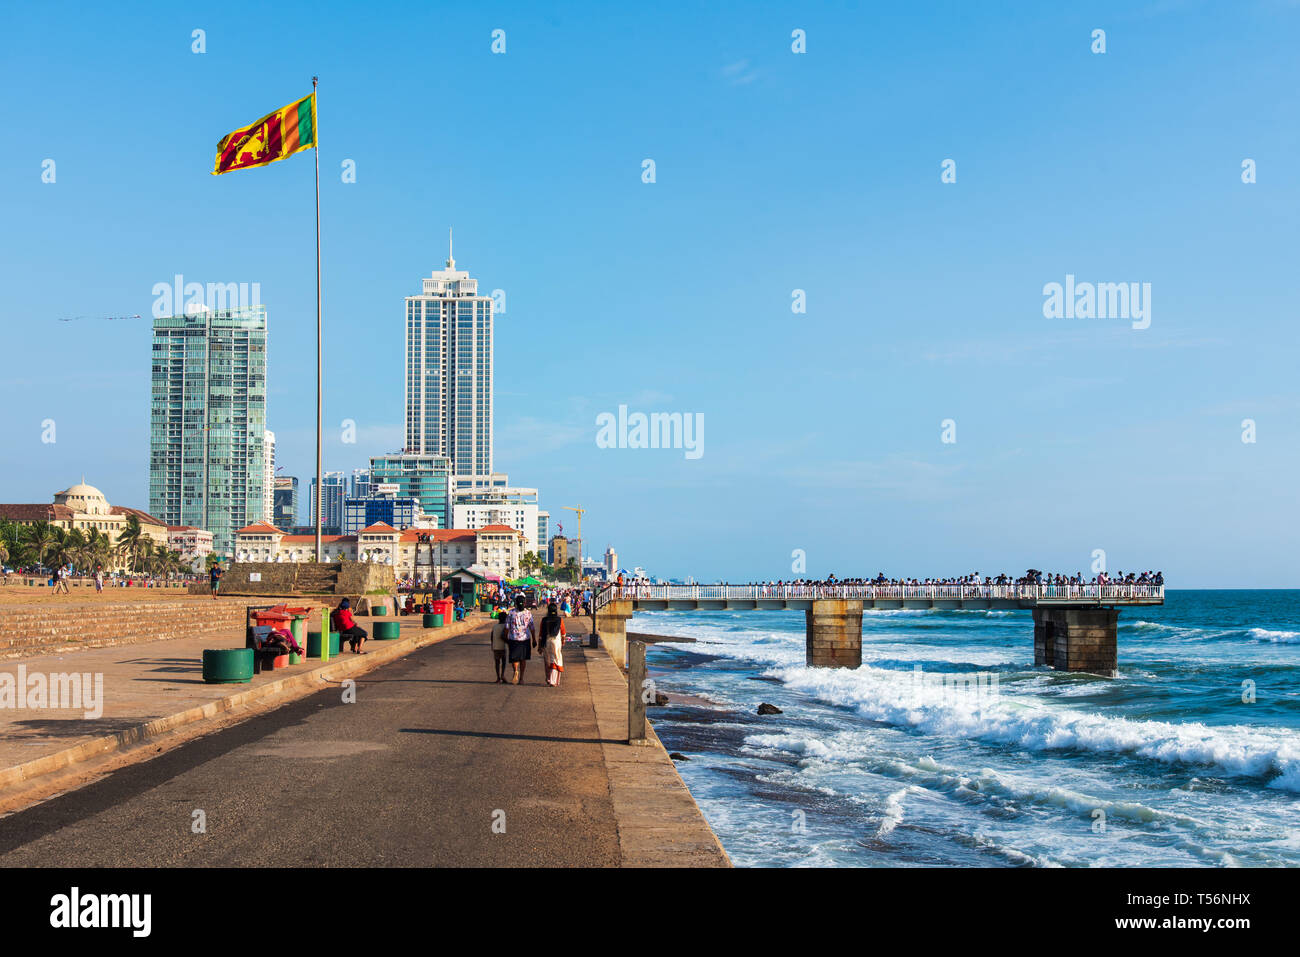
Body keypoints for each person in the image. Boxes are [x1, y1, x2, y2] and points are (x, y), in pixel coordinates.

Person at [505, 594, 535, 684]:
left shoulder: (511, 613)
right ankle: (521, 678)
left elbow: (507, 627)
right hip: (525, 639)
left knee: (515, 658)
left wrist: (506, 638)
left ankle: (515, 671)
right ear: (524, 603)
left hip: (513, 638)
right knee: (523, 658)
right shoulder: (528, 613)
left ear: (516, 603)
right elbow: (532, 627)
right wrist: (534, 639)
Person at [537, 602, 565, 687]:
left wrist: (539, 646)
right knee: (555, 660)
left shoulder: (544, 620)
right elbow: (563, 633)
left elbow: (541, 635)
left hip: (546, 642)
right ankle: (553, 681)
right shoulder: (560, 620)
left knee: (547, 660)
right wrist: (563, 641)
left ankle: (548, 678)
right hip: (556, 642)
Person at [490, 609, 509, 683]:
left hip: (496, 647)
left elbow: (492, 636)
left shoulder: (495, 626)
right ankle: (502, 675)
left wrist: (492, 644)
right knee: (503, 662)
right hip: (503, 647)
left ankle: (498, 677)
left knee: (497, 663)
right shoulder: (506, 627)